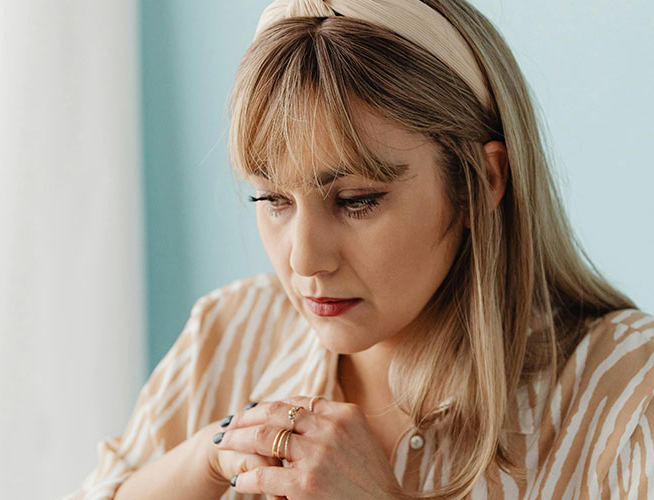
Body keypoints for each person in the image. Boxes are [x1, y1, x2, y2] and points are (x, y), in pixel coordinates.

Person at [66, 1, 654, 499]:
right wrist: (213, 454)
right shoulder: (227, 331)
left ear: (482, 180)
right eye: (272, 199)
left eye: (356, 200)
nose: (302, 261)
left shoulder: (630, 399)